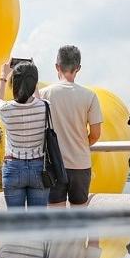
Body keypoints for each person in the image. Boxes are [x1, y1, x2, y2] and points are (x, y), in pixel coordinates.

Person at [40, 46, 102, 208]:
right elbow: (95, 134)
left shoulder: (44, 94)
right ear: (78, 68)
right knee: (79, 217)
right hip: (80, 164)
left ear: (57, 66)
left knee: (55, 219)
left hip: (53, 164)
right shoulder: (90, 96)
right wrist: (81, 144)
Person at [0, 61, 50, 208]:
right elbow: (38, 100)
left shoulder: (6, 109)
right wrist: (33, 81)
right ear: (34, 83)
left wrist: (3, 76)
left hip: (13, 167)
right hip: (39, 168)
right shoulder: (45, 107)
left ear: (14, 83)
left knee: (15, 222)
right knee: (38, 222)